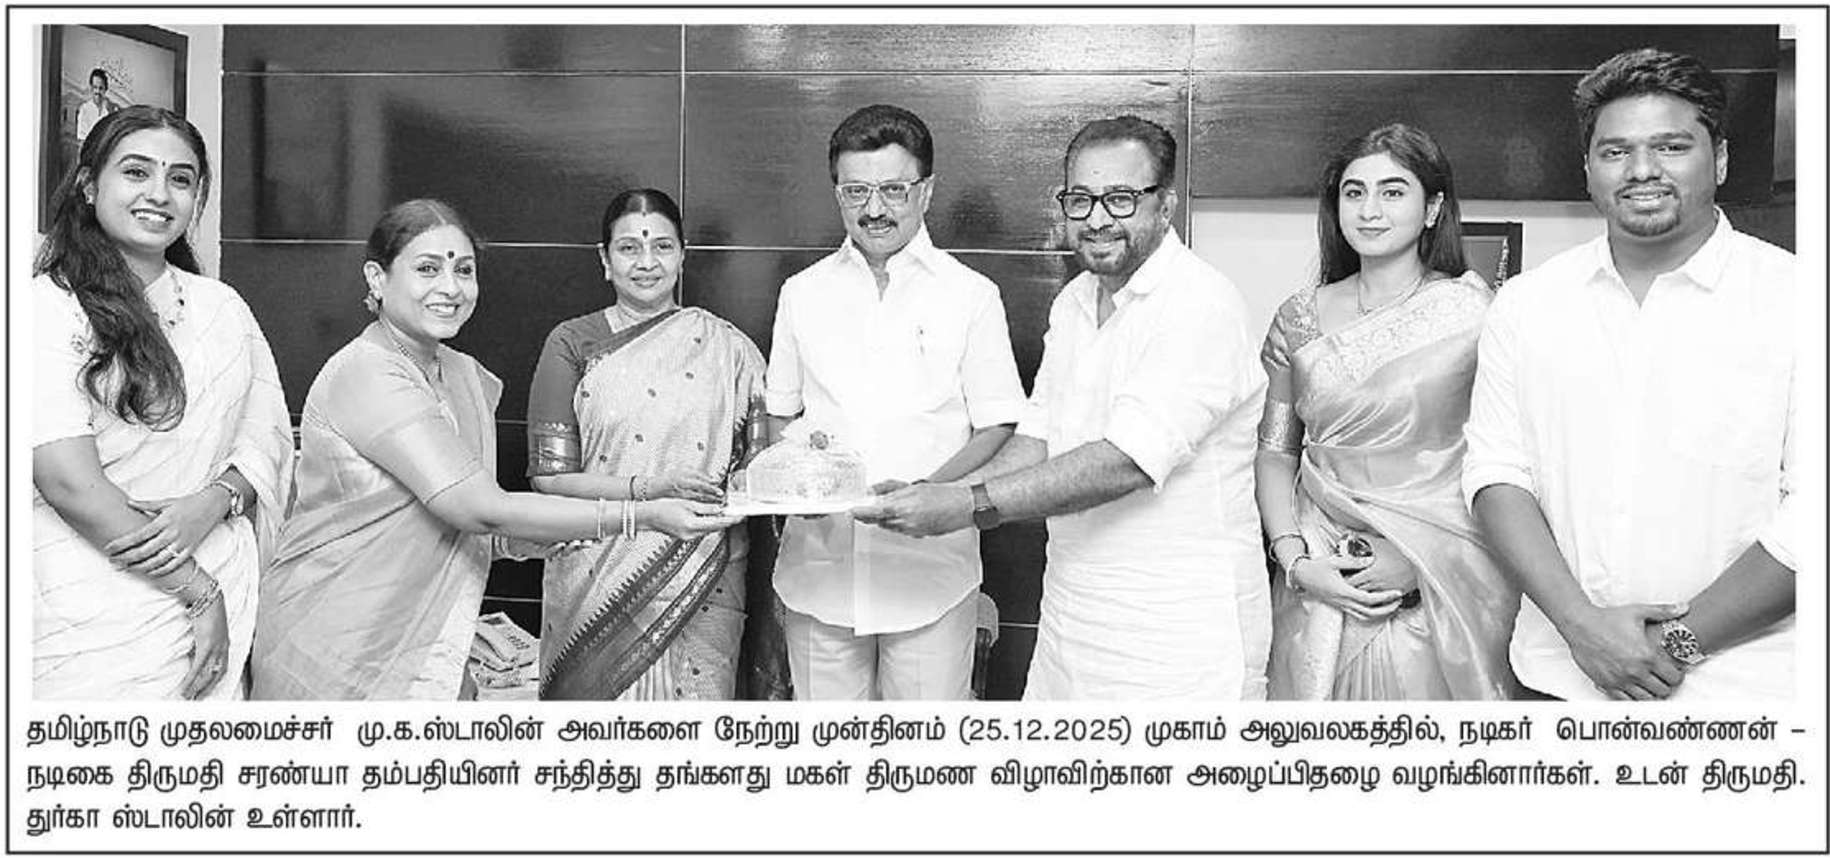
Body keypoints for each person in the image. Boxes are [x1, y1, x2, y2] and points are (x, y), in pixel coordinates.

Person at [251, 199, 739, 700]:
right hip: (338, 644)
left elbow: (471, 520)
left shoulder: (460, 374)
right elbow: (480, 510)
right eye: (427, 269)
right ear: (377, 279)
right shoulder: (367, 372)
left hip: (430, 644)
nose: (450, 287)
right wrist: (645, 514)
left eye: (464, 270)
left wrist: (528, 542)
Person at [861, 116, 1270, 700]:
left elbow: (1126, 462)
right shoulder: (1076, 300)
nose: (1097, 218)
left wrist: (966, 506)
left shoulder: (1199, 304)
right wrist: (932, 493)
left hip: (1179, 633)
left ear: (1165, 206)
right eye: (1081, 199)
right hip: (1074, 619)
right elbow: (1038, 437)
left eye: (1121, 198)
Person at [1464, 49, 1802, 701]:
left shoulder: (1797, 299)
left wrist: (1672, 646)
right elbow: (1496, 472)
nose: (1643, 169)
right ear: (1588, 169)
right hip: (1558, 677)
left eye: (1671, 146)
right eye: (1616, 151)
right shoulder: (1528, 304)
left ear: (1720, 159)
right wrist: (1581, 628)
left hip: (1747, 691)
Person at [764, 104, 1027, 700]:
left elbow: (997, 425)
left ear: (926, 191)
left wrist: (931, 493)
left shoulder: (971, 295)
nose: (874, 209)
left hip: (930, 572)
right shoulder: (801, 292)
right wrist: (797, 488)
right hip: (820, 569)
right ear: (837, 193)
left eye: (893, 190)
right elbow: (782, 413)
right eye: (855, 191)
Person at [32, 105, 292, 700]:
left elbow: (265, 440)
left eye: (180, 178)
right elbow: (68, 483)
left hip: (217, 564)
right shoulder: (45, 308)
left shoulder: (222, 308)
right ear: (88, 184)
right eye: (136, 172)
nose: (159, 193)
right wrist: (198, 592)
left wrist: (214, 500)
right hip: (85, 606)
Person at [1255, 123, 1518, 701]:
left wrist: (1422, 559)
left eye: (1393, 192)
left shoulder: (1476, 316)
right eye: (1354, 193)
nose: (1370, 210)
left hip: (1434, 593)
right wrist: (1296, 562)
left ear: (1433, 209)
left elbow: (1504, 465)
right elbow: (1276, 451)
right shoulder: (1298, 318)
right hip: (1316, 583)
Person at [527, 188, 769, 701]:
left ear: (683, 255)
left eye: (661, 247)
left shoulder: (729, 349)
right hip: (595, 573)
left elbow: (765, 467)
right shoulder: (571, 343)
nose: (646, 263)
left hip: (703, 577)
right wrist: (649, 489)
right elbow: (550, 478)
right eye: (628, 248)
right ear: (605, 259)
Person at [74, 68, 114, 143]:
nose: (97, 91)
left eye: (101, 88)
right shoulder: (84, 110)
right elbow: (82, 141)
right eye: (95, 87)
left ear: (105, 89)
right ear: (91, 88)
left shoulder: (109, 111)